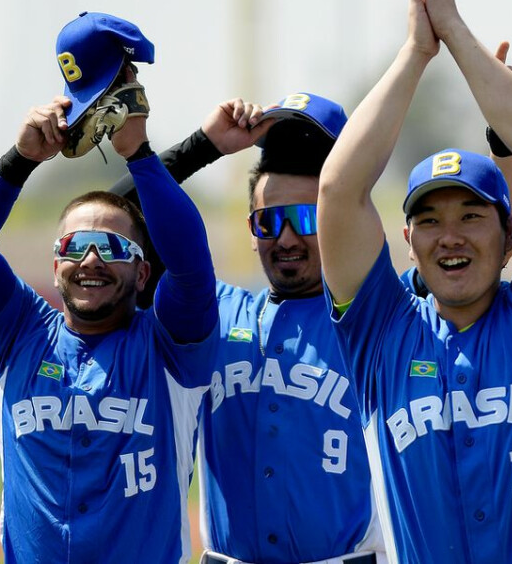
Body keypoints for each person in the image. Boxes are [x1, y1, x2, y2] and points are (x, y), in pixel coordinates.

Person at [317, 0, 512, 564]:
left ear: (511, 235)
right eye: (430, 220)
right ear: (408, 243)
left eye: (472, 215)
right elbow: (337, 189)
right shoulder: (380, 333)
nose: (451, 235)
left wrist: (456, 34)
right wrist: (416, 52)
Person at [0, 13, 219, 563]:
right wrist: (20, 160)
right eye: (75, 245)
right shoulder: (18, 334)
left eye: (112, 247)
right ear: (54, 262)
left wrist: (139, 153)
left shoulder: (172, 349)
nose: (90, 259)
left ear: (143, 273)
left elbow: (191, 268)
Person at [108, 93, 385, 563]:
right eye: (268, 221)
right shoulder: (211, 313)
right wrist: (203, 146)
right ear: (251, 230)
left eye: (306, 218)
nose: (287, 238)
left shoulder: (378, 321)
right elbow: (108, 220)